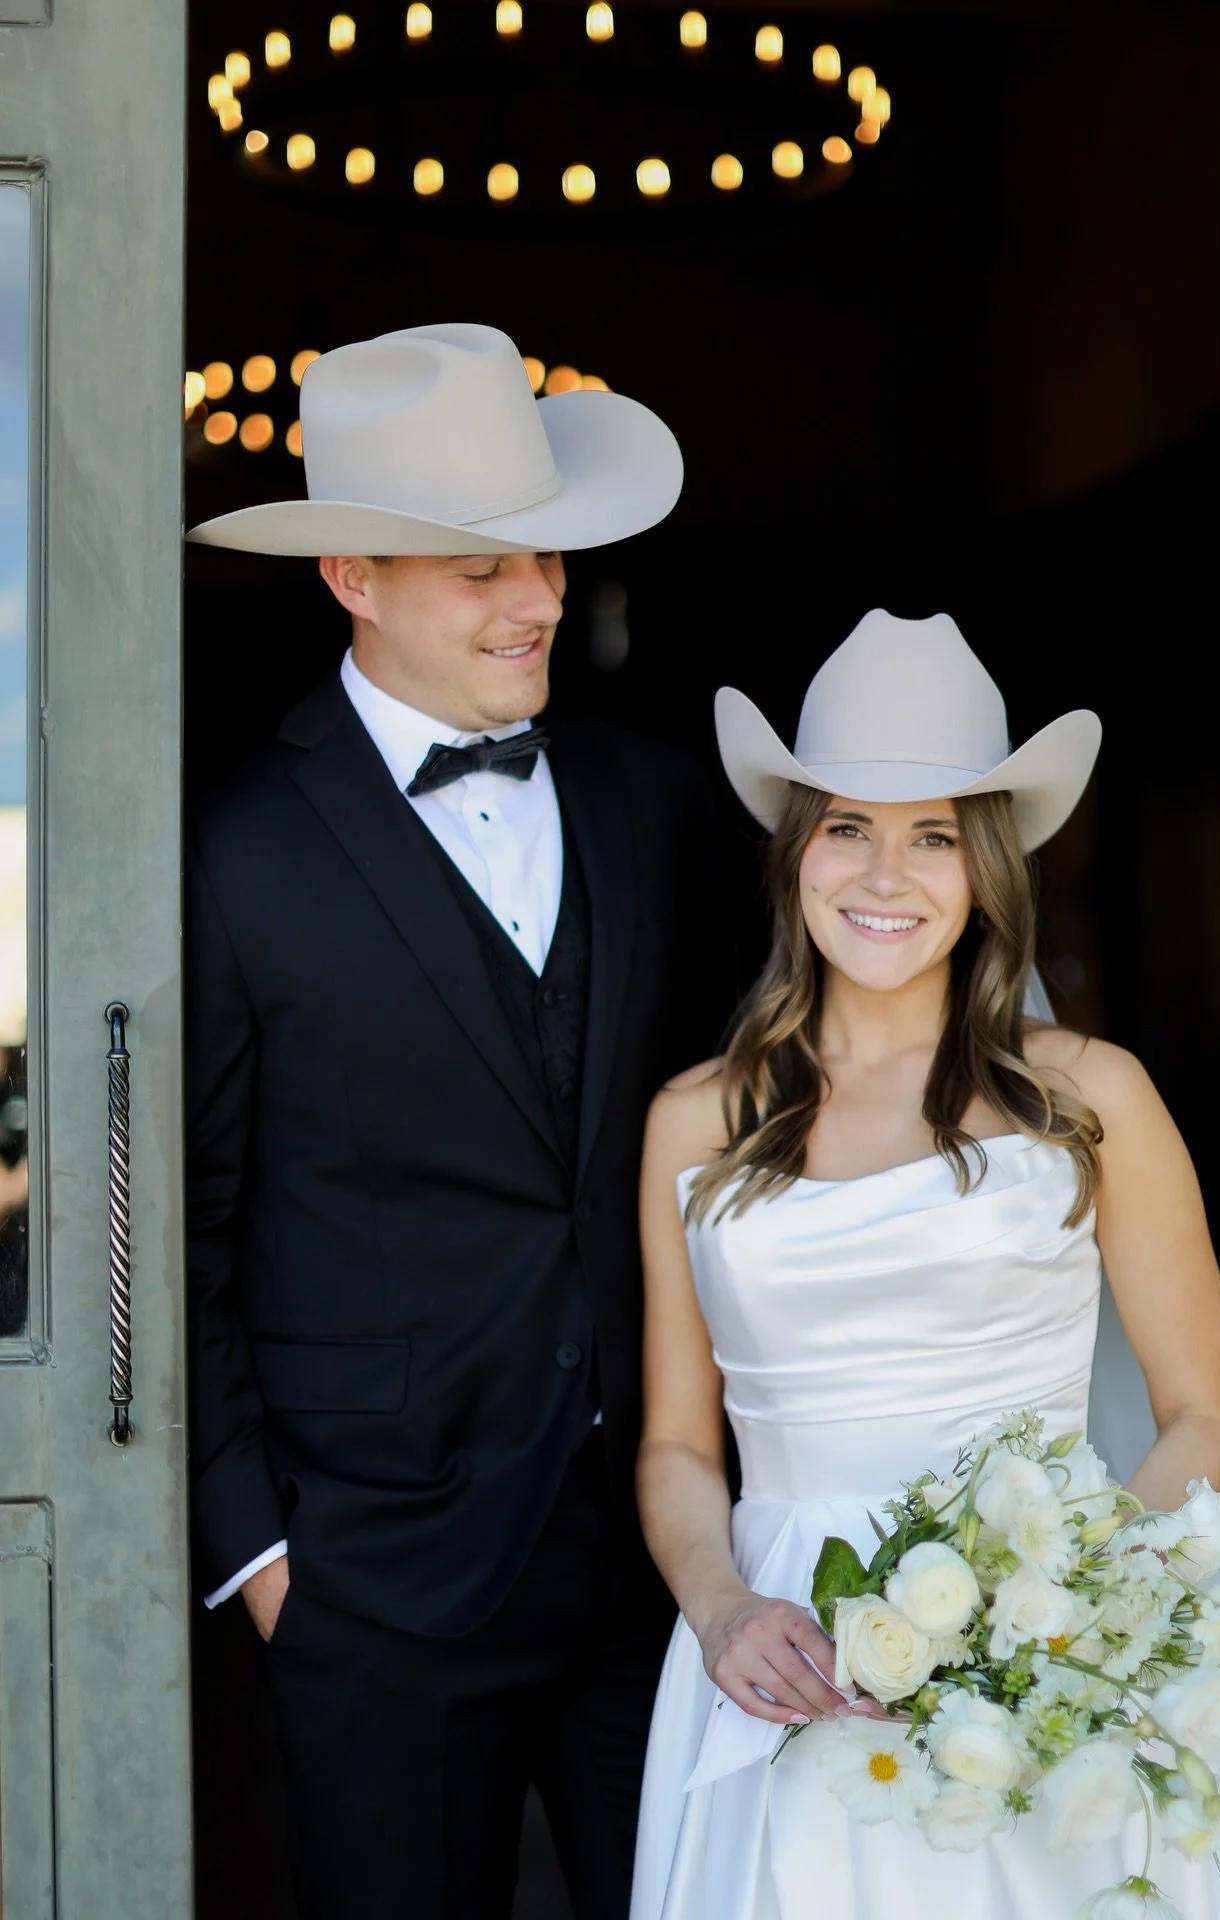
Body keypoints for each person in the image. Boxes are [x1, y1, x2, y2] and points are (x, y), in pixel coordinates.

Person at [629, 610, 1220, 1919]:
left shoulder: (1089, 1098)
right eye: (848, 826)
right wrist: (723, 1610)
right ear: (795, 851)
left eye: (934, 836)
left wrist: (1062, 1612)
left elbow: (1205, 1415)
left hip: (1057, 1653)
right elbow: (676, 1442)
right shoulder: (693, 1119)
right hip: (784, 1662)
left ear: (987, 868)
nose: (885, 875)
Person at [185, 322, 720, 1920]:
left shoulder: (654, 803)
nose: (537, 599)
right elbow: (183, 1228)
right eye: (482, 569)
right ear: (349, 573)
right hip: (372, 1580)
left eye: (546, 557)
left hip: (659, 1558)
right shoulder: (233, 849)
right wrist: (263, 1561)